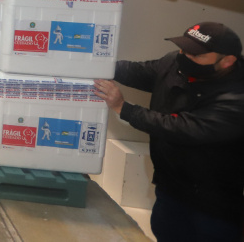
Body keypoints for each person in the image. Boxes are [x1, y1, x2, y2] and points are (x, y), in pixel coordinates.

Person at [94, 22, 244, 242]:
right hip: (170, 188)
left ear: (228, 61)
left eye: (196, 54)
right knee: (165, 231)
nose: (185, 57)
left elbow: (181, 128)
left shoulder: (236, 99)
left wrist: (123, 108)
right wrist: (96, 64)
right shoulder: (176, 63)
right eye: (184, 49)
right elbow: (140, 72)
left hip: (212, 205)